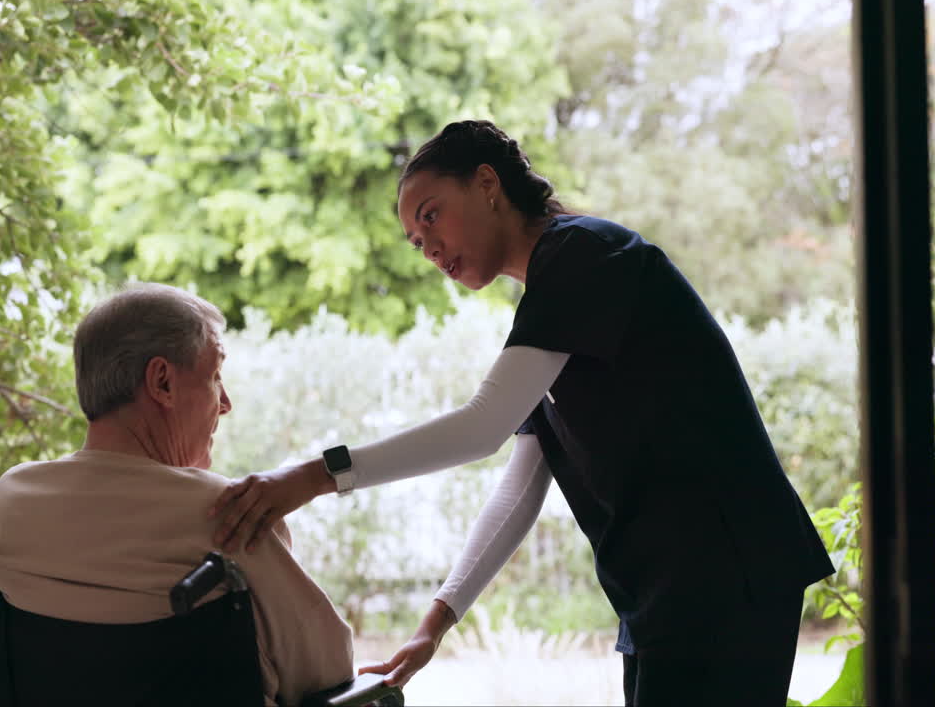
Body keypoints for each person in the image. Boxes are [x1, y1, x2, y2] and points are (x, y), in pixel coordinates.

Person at [209, 120, 835, 706]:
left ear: (487, 185)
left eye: (433, 218)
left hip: (726, 575)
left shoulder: (586, 255)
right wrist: (435, 625)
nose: (429, 248)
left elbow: (481, 425)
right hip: (663, 594)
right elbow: (523, 480)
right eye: (417, 241)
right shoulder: (551, 308)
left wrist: (313, 477)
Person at [0, 282, 353, 707]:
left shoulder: (14, 498)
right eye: (214, 377)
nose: (225, 403)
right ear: (162, 382)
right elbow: (329, 672)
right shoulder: (228, 512)